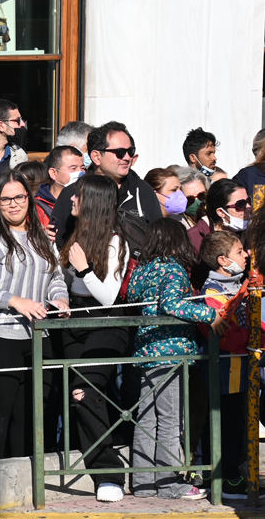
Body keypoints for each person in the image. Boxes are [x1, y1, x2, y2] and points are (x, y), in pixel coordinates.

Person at [0, 169, 68, 462]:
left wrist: (60, 298)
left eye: (19, 197)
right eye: (5, 199)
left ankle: (25, 480)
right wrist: (14, 301)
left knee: (30, 417)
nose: (13, 204)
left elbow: (56, 276)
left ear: (29, 198)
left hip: (37, 336)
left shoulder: (43, 237)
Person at [127, 218, 225, 500]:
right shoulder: (174, 269)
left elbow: (132, 298)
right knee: (170, 419)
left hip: (146, 350)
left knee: (146, 419)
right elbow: (171, 304)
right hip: (172, 353)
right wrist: (209, 314)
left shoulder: (142, 270)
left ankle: (143, 482)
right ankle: (170, 483)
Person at [57, 175, 130, 501]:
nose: (72, 200)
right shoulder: (74, 235)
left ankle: (109, 475)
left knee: (84, 390)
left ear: (94, 203)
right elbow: (67, 284)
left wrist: (85, 269)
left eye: (78, 196)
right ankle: (106, 466)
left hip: (107, 325)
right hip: (74, 323)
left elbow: (109, 297)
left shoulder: (115, 241)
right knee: (82, 396)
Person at [197, 231, 260, 498]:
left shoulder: (238, 285)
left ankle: (229, 474)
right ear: (223, 260)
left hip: (239, 369)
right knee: (227, 426)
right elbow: (226, 337)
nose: (246, 255)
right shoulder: (213, 292)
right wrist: (254, 337)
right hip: (224, 371)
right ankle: (228, 480)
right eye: (239, 252)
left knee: (235, 423)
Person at [52, 121, 163, 249]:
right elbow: (60, 245)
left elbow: (159, 240)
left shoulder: (142, 191)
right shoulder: (73, 194)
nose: (127, 157)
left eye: (130, 151)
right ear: (96, 156)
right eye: (120, 152)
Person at [187, 179, 249, 253]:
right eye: (241, 204)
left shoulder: (252, 233)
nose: (249, 207)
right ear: (221, 212)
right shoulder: (193, 238)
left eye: (249, 201)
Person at [35, 146, 86, 226]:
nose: (80, 172)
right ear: (53, 173)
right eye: (73, 168)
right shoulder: (36, 207)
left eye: (82, 168)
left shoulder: (87, 201)